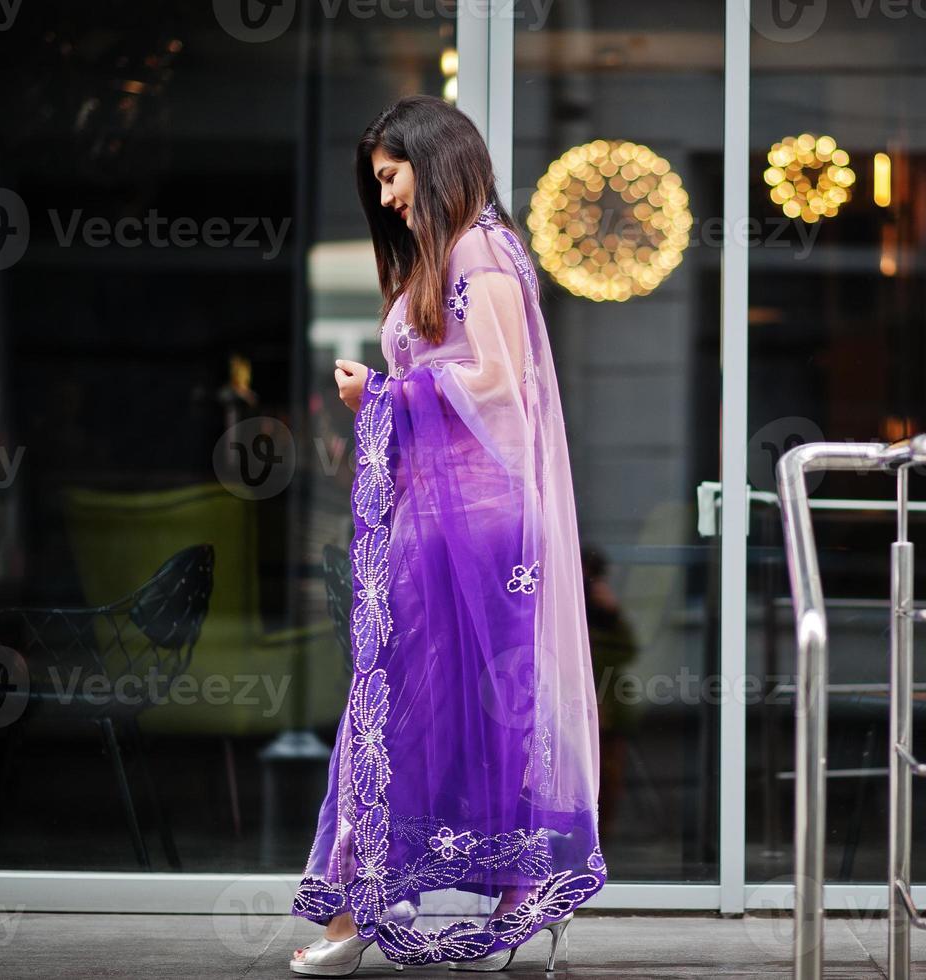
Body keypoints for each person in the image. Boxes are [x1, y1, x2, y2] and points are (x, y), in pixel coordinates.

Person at [288, 94, 607, 976]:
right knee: (433, 703)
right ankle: (425, 900)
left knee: (429, 702)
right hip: (449, 517)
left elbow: (498, 384)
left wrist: (379, 397)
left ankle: (452, 901)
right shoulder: (465, 250)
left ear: (432, 159)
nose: (387, 198)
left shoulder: (477, 247)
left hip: (477, 523)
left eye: (391, 178)